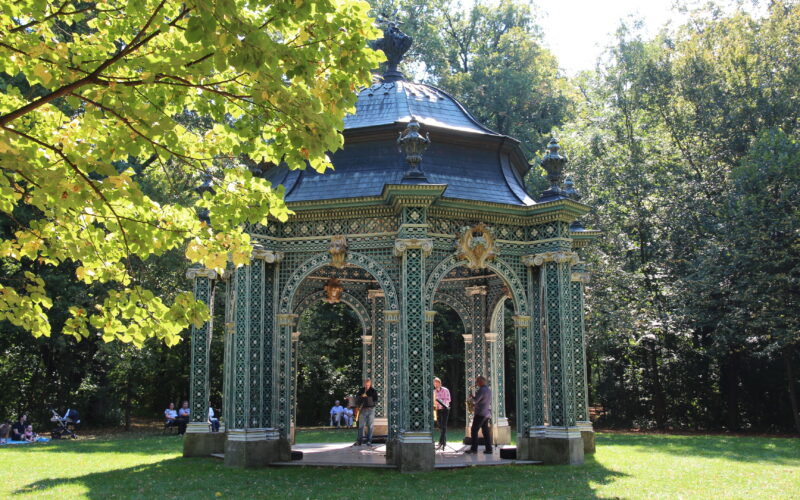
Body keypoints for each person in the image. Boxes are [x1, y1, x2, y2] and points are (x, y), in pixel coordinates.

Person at [466, 375, 493, 455]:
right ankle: (489, 449)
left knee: (474, 430)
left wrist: (472, 397)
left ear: (481, 381)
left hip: (480, 413)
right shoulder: (488, 390)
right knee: (485, 431)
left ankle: (474, 449)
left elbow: (476, 400)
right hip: (486, 413)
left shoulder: (481, 390)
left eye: (477, 381)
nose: (476, 383)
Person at [354, 378, 378, 446]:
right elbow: (357, 398)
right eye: (366, 385)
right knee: (361, 425)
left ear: (370, 384)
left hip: (371, 409)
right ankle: (359, 441)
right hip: (363, 409)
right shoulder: (361, 390)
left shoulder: (373, 391)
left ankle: (369, 441)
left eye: (368, 385)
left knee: (370, 426)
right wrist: (361, 396)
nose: (367, 386)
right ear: (364, 384)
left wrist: (370, 400)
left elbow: (376, 400)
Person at [433, 377, 451, 450]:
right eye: (434, 383)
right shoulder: (433, 392)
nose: (435, 384)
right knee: (440, 426)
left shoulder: (445, 390)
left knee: (444, 426)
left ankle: (441, 442)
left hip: (445, 409)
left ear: (440, 383)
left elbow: (448, 399)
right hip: (437, 410)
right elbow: (433, 402)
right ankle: (443, 442)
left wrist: (440, 402)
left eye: (437, 383)